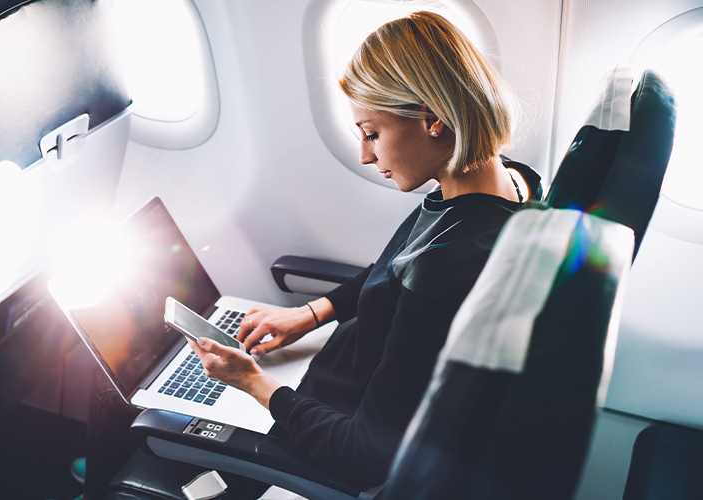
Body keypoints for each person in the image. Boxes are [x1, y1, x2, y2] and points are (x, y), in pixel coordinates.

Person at [187, 10, 540, 491]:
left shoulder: (447, 270)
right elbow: (394, 268)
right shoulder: (507, 183)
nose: (365, 155)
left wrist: (252, 384)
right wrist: (311, 314)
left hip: (326, 421)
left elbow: (365, 455)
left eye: (372, 132)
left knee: (164, 439)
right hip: (334, 372)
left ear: (433, 119)